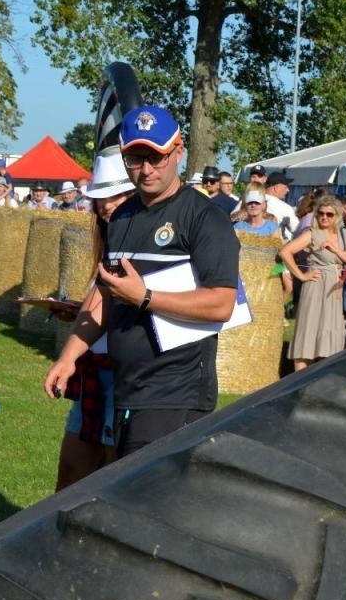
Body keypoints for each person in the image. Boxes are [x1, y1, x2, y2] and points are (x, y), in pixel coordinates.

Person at [46, 105, 238, 458]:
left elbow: (222, 303)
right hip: (126, 387)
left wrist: (146, 297)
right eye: (135, 158)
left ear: (178, 151)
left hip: (176, 392)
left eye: (156, 157)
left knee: (146, 500)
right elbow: (106, 293)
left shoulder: (206, 218)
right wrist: (69, 355)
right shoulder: (121, 217)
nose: (146, 169)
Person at [40, 147, 136, 490]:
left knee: (111, 471)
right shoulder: (110, 239)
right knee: (71, 468)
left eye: (118, 195)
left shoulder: (145, 238)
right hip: (95, 363)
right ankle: (56, 536)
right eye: (102, 198)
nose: (108, 205)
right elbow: (105, 300)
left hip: (124, 367)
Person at [280, 192, 346, 370]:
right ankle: (298, 382)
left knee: (330, 335)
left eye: (329, 214)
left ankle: (321, 380)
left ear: (337, 216)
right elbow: (285, 252)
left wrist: (336, 251)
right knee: (307, 332)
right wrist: (301, 276)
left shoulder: (345, 236)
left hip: (335, 290)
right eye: (321, 213)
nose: (324, 217)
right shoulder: (312, 234)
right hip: (315, 286)